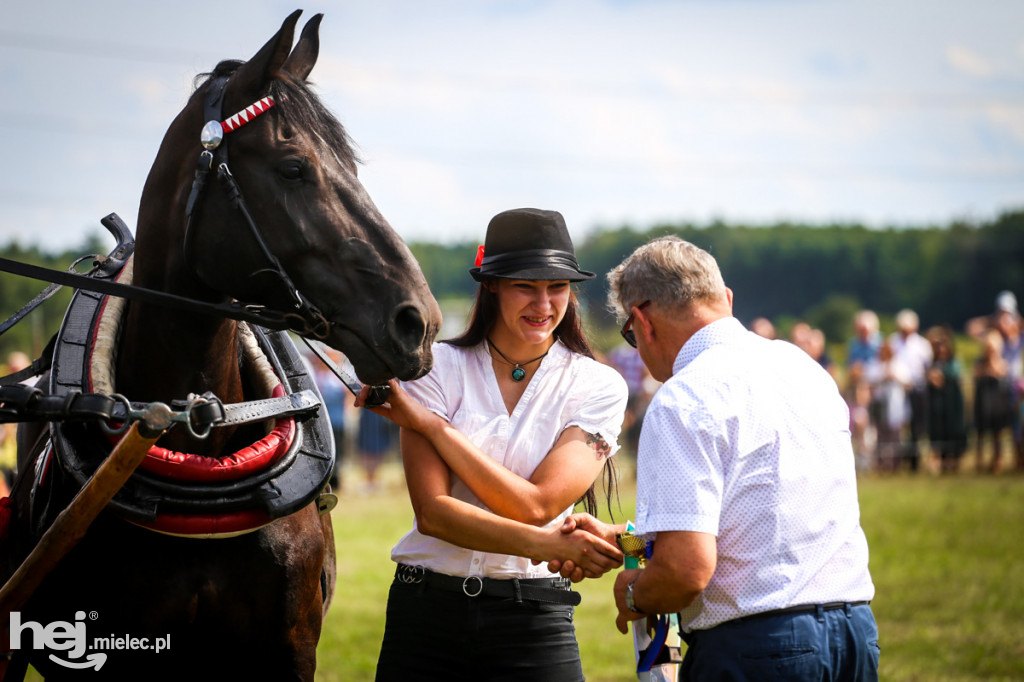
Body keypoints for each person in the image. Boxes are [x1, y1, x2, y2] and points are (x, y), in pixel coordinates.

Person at [548, 236, 878, 680]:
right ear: (725, 298)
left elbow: (685, 571)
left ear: (643, 322)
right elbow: (750, 523)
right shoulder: (804, 369)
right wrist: (624, 541)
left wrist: (634, 595)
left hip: (759, 647)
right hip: (855, 634)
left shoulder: (683, 397)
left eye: (630, 334)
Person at [356, 208, 628, 681]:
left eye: (557, 287)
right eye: (527, 285)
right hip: (424, 617)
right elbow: (434, 513)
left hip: (535, 618)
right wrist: (543, 544)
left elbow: (539, 504)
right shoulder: (433, 367)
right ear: (493, 285)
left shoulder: (599, 385)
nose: (544, 304)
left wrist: (435, 428)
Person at [888, 309, 933, 472]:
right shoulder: (892, 342)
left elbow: (927, 368)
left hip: (917, 390)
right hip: (897, 389)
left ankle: (915, 462)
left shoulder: (922, 345)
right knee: (899, 426)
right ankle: (898, 460)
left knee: (916, 427)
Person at [924, 326, 967, 474]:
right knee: (937, 431)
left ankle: (952, 459)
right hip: (936, 406)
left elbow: (952, 377)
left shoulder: (954, 363)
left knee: (952, 430)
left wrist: (940, 377)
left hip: (951, 404)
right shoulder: (931, 363)